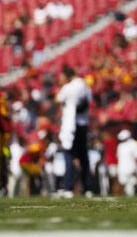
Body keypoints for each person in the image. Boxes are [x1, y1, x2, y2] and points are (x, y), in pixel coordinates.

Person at [55, 65, 92, 197]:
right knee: (83, 156)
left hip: (71, 125)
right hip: (83, 124)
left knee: (69, 155)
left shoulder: (68, 88)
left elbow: (58, 99)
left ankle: (68, 187)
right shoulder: (86, 87)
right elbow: (89, 101)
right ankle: (87, 187)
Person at [116, 129, 137, 197]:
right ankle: (129, 194)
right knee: (123, 182)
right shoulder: (120, 145)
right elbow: (118, 157)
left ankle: (131, 195)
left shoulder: (133, 143)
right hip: (122, 167)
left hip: (131, 167)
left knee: (131, 183)